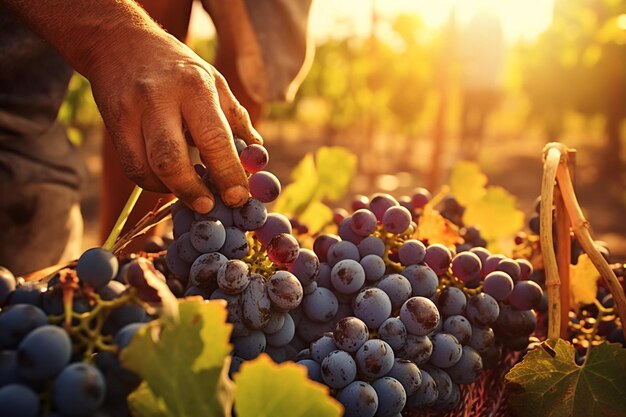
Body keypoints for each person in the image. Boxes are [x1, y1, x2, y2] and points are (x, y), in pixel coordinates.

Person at [0, 0, 313, 275]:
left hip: (31, 124)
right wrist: (111, 33)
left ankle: (132, 264)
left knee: (257, 58)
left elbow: (255, 67)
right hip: (16, 108)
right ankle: (126, 265)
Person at [458, 4, 505, 161]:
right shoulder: (486, 20)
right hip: (479, 80)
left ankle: (472, 149)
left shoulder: (480, 20)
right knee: (472, 116)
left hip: (482, 80)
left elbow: (467, 49)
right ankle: (468, 148)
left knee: (476, 116)